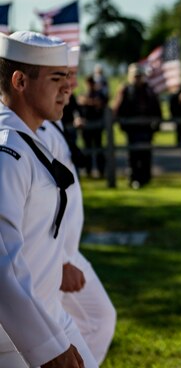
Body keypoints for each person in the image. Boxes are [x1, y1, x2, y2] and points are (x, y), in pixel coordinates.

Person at [0, 31, 97, 367]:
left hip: (48, 315)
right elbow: (3, 263)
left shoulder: (29, 140)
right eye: (57, 78)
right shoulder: (6, 152)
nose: (69, 87)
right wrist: (45, 347)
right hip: (13, 338)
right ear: (20, 81)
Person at [37, 45, 117, 365]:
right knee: (96, 321)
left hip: (63, 251)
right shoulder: (33, 128)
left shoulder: (48, 121)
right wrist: (59, 261)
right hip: (50, 257)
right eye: (61, 77)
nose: (70, 86)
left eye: (71, 75)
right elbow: (37, 207)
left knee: (99, 320)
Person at [113, 63, 161, 189]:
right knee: (133, 156)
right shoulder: (126, 90)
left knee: (146, 155)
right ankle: (134, 178)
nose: (137, 78)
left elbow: (157, 109)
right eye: (135, 76)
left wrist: (155, 125)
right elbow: (118, 110)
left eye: (139, 75)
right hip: (132, 130)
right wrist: (124, 124)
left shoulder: (149, 91)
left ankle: (145, 179)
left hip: (146, 129)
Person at [78, 74, 108, 178]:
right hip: (86, 126)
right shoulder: (83, 94)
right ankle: (88, 171)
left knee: (99, 149)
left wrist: (88, 102)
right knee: (87, 149)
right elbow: (80, 103)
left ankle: (101, 171)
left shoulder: (99, 94)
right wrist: (91, 102)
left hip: (97, 125)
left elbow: (102, 103)